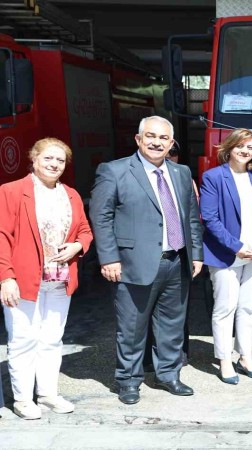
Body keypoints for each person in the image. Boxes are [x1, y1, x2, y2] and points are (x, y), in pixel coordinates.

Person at [90, 116, 203, 405]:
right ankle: (128, 380)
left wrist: (197, 255)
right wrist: (109, 258)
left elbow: (191, 217)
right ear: (138, 139)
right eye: (150, 136)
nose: (156, 142)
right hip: (132, 264)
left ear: (171, 143)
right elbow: (101, 218)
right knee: (132, 328)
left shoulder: (181, 172)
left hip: (176, 261)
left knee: (172, 325)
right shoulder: (114, 171)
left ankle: (169, 374)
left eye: (163, 138)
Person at [0, 138, 93, 419]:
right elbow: (2, 236)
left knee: (52, 339)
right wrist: (6, 277)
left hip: (59, 279)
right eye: (48, 158)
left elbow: (85, 230)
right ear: (34, 158)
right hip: (23, 280)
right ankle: (23, 399)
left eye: (60, 160)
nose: (54, 164)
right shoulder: (11, 191)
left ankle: (48, 394)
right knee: (23, 339)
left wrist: (78, 246)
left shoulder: (71, 194)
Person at [200, 128, 252, 384]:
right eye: (240, 146)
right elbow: (210, 218)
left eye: (250, 147)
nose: (245, 151)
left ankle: (245, 356)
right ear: (229, 147)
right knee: (225, 308)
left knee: (248, 307)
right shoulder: (213, 177)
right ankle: (224, 360)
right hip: (227, 254)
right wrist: (237, 246)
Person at [144, 140, 195, 373]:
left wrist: (196, 254)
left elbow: (193, 219)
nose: (169, 155)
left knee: (176, 316)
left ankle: (175, 362)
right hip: (148, 256)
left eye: (174, 151)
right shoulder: (142, 176)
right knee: (144, 315)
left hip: (178, 255)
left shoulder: (183, 177)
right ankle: (147, 361)